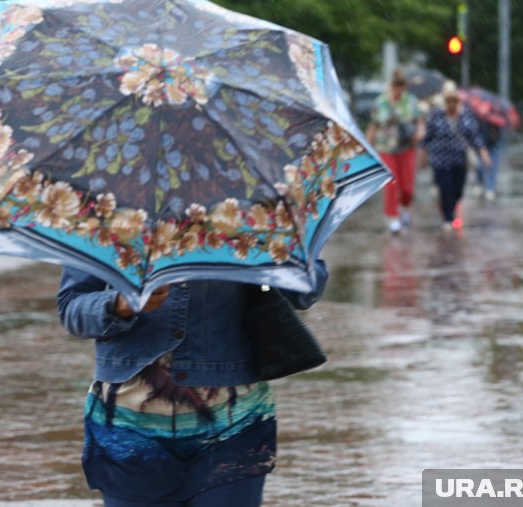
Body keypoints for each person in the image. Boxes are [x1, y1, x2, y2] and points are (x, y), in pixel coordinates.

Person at [56, 261, 328, 507]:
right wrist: (119, 304)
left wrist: (274, 255)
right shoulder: (106, 214)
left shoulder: (256, 212)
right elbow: (71, 307)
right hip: (130, 420)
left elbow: (306, 290)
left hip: (233, 419)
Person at [422, 82, 491, 232]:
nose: (451, 105)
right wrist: (423, 156)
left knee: (458, 189)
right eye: (449, 101)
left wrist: (483, 152)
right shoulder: (436, 114)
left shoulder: (465, 115)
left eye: (454, 101)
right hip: (439, 159)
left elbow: (474, 135)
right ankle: (448, 217)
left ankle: (451, 208)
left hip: (459, 158)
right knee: (445, 186)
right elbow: (427, 136)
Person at [366, 69, 425, 234]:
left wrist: (420, 132)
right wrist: (367, 145)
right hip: (386, 147)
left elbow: (419, 120)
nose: (399, 89)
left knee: (407, 187)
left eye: (401, 86)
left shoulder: (411, 101)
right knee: (392, 184)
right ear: (392, 86)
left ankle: (404, 207)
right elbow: (373, 124)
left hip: (407, 147)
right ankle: (393, 217)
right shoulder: (381, 102)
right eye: (396, 86)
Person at [472, 120, 504, 201]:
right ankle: (480, 183)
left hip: (494, 140)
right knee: (480, 165)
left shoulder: (498, 110)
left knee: (493, 164)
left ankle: (490, 188)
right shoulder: (477, 112)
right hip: (480, 140)